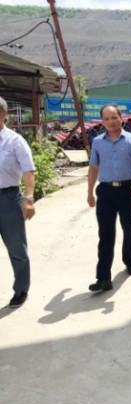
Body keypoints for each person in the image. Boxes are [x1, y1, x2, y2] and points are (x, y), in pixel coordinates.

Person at [87, 104, 131, 292]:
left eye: (114, 117)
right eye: (106, 119)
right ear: (102, 121)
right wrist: (89, 192)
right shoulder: (97, 142)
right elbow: (94, 167)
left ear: (121, 118)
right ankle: (103, 278)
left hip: (127, 191)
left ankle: (129, 262)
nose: (111, 122)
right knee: (105, 233)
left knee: (128, 227)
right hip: (105, 192)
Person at [0, 96, 36, 308]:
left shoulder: (15, 141)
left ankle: (21, 289)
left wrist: (28, 199)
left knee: (17, 250)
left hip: (8, 199)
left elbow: (28, 171)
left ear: (3, 114)